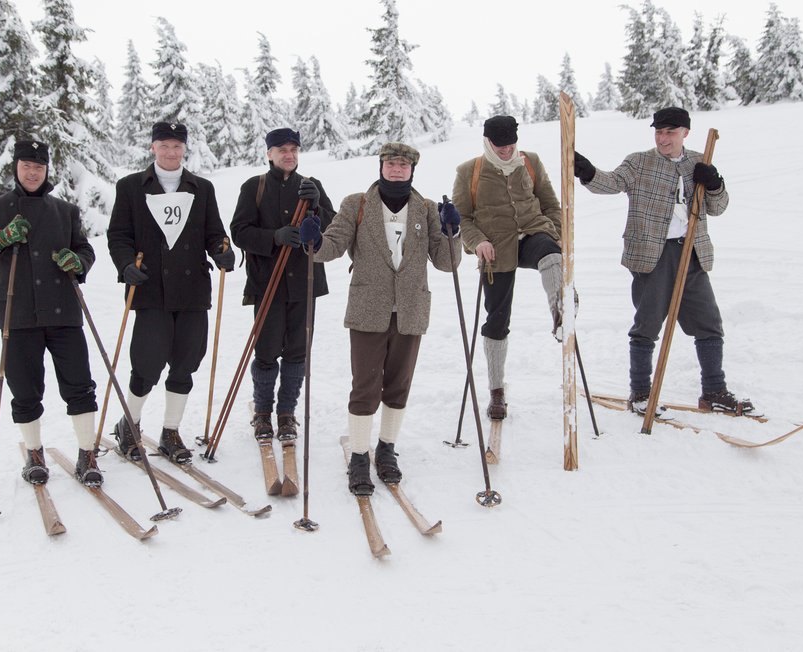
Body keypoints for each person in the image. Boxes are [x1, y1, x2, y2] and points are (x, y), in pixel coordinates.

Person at [299, 142, 461, 495]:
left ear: (412, 170)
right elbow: (332, 247)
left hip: (411, 309)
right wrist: (311, 242)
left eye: (404, 164)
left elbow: (447, 262)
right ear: (381, 166)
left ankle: (386, 448)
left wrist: (453, 232)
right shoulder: (356, 204)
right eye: (391, 163)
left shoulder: (428, 209)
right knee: (365, 385)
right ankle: (360, 455)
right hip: (368, 308)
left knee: (399, 384)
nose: (397, 169)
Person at [573, 106, 755, 416]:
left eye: (670, 132)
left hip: (692, 253)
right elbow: (612, 182)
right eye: (658, 132)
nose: (663, 138)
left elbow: (719, 207)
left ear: (685, 132)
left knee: (709, 323)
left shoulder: (700, 161)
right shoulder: (640, 162)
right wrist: (588, 171)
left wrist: (713, 183)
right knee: (647, 325)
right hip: (652, 255)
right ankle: (641, 394)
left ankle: (713, 391)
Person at [0, 139, 102, 486]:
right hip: (17, 312)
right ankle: (34, 454)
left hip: (64, 311)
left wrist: (78, 262)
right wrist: (2, 237)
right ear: (16, 167)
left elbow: (84, 248)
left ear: (46, 170)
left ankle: (87, 454)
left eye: (39, 167)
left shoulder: (64, 210)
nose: (33, 172)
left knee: (80, 385)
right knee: (24, 389)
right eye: (27, 166)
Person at [107, 121, 235, 464]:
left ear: (184, 149)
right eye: (163, 145)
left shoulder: (201, 188)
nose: (170, 152)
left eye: (176, 146)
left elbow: (214, 232)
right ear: (153, 147)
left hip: (192, 291)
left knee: (186, 363)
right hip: (150, 290)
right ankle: (129, 425)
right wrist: (124, 265)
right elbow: (118, 235)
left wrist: (222, 250)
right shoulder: (131, 187)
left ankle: (170, 431)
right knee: (146, 365)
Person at [451, 115, 565, 421]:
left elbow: (551, 203)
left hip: (533, 233)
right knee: (497, 320)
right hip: (495, 250)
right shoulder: (469, 171)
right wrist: (478, 242)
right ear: (488, 142)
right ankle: (496, 391)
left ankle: (562, 313)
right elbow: (462, 217)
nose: (506, 151)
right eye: (499, 146)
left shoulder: (531, 162)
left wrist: (555, 233)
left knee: (550, 252)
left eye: (510, 144)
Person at [230, 128, 335, 443]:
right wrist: (273, 237)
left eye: (293, 149)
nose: (289, 155)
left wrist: (316, 207)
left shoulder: (311, 186)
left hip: (305, 283)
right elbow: (239, 231)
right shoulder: (254, 187)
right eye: (281, 150)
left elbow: (333, 229)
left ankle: (287, 414)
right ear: (269, 154)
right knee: (266, 351)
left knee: (297, 351)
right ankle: (263, 413)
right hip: (268, 283)